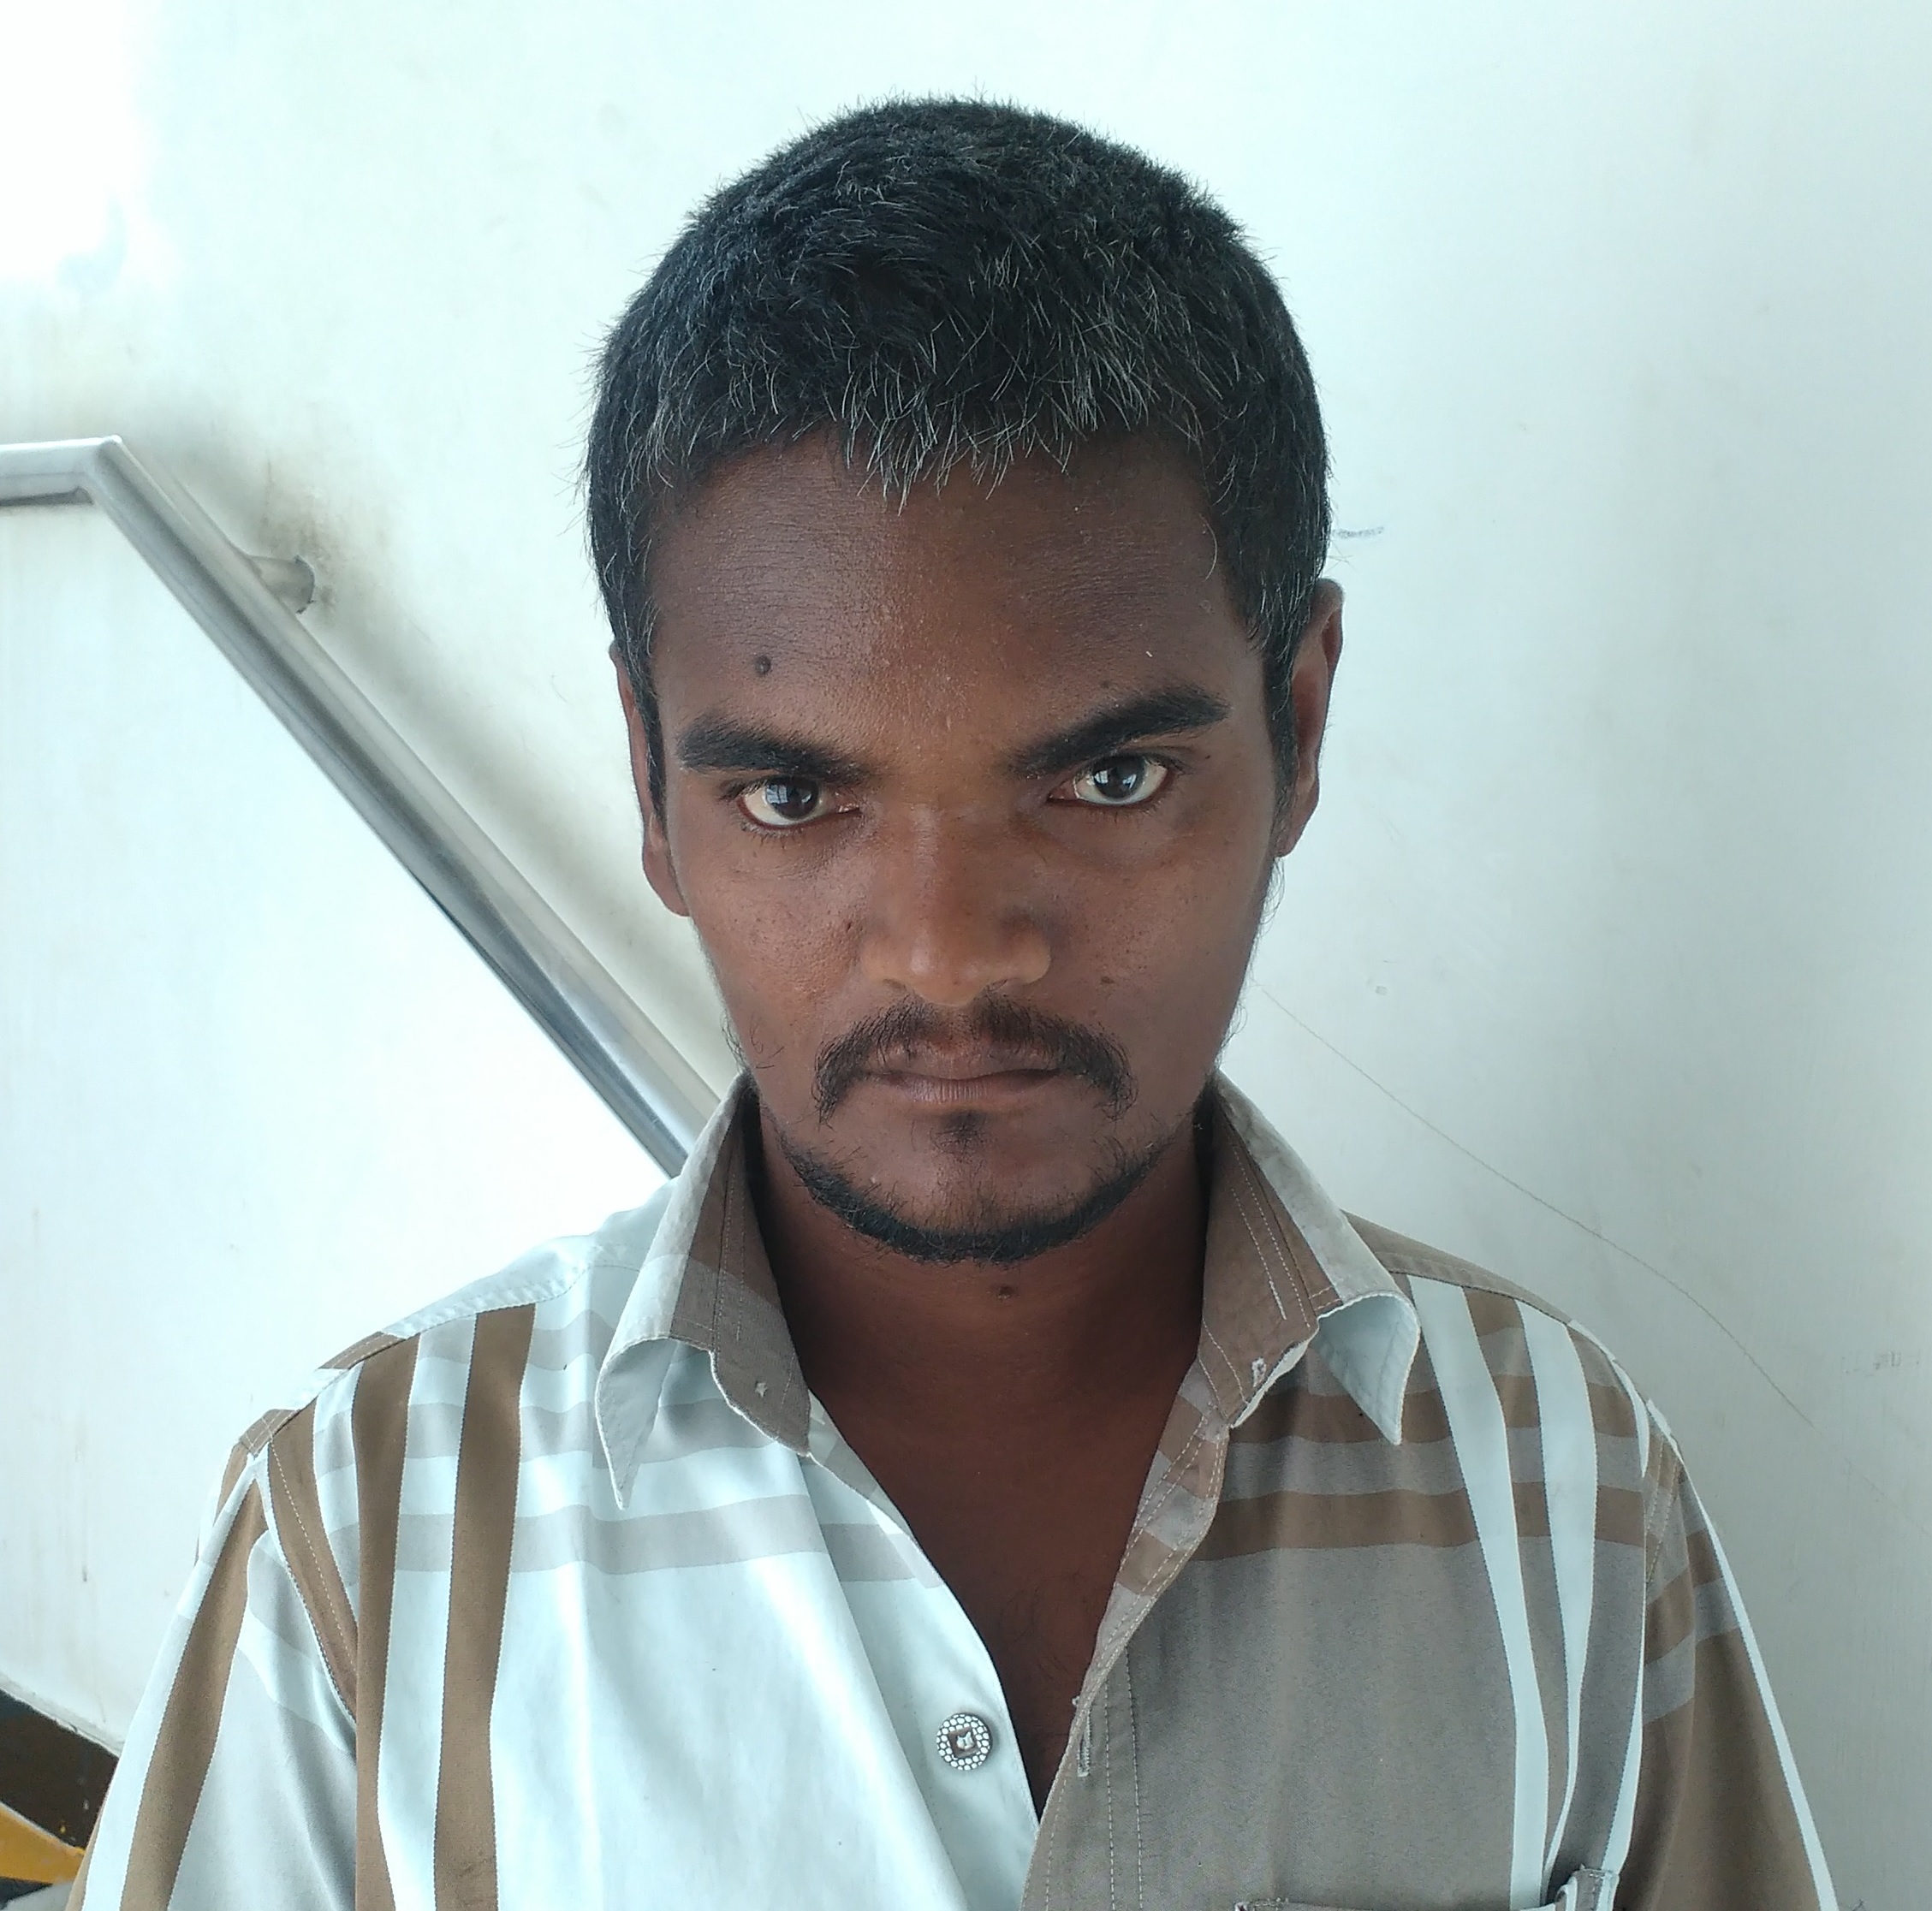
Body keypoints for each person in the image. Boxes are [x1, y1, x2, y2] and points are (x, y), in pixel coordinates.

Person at [74, 100, 1835, 1911]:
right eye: (793, 796)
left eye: (1109, 781)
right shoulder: (370, 1535)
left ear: (1298, 724)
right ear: (651, 783)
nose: (947, 953)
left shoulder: (1557, 1484)